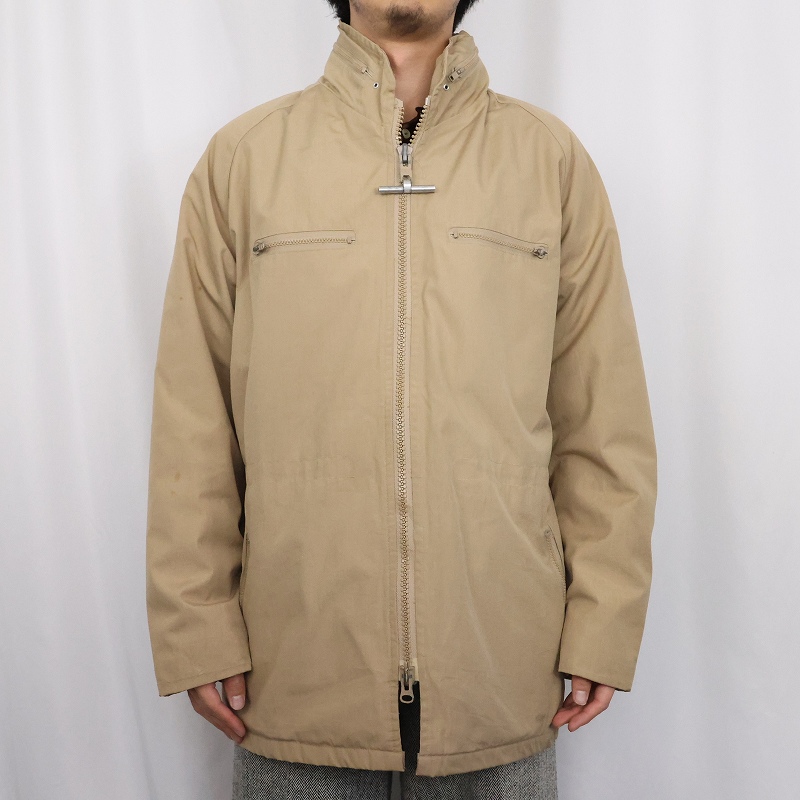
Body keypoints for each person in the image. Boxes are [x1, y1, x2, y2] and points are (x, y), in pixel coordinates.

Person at [144, 1, 658, 798]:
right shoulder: (245, 158)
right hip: (295, 674)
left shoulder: (547, 159)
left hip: (498, 677)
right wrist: (196, 629)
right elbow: (193, 416)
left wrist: (603, 622)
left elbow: (604, 416)